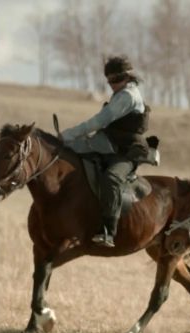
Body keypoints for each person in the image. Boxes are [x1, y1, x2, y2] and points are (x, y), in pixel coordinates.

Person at [61, 56, 152, 248]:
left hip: (125, 153)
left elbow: (98, 122)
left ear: (127, 77)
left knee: (111, 178)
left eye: (115, 80)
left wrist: (69, 134)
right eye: (109, 81)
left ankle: (108, 231)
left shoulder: (128, 96)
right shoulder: (120, 93)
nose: (111, 84)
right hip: (109, 146)